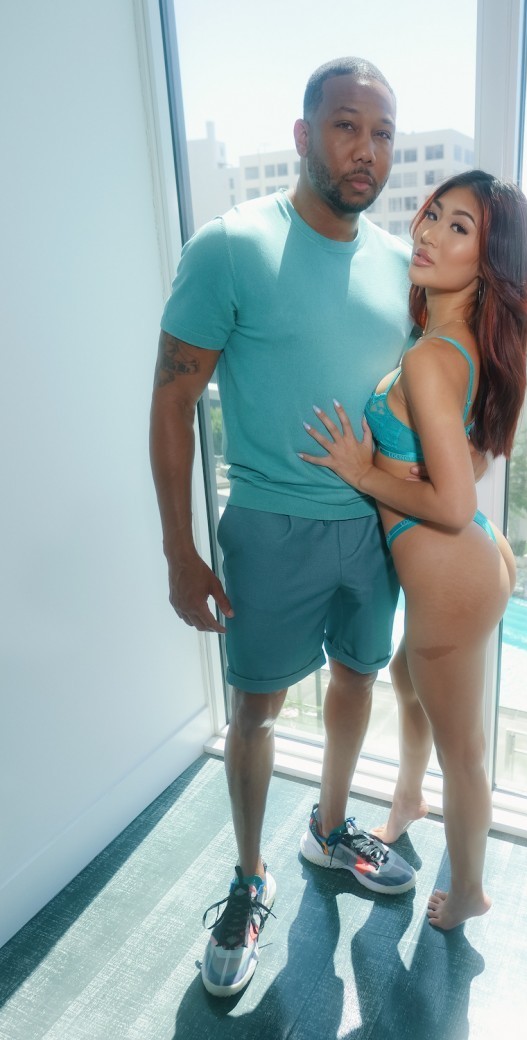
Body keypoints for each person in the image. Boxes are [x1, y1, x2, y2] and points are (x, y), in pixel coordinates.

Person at [149, 57, 419, 998]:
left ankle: (329, 827)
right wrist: (180, 550)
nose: (366, 150)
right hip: (268, 527)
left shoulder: (401, 265)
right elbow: (171, 401)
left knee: (358, 678)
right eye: (347, 127)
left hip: (373, 529)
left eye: (382, 134)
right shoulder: (230, 247)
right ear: (305, 136)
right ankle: (248, 877)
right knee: (255, 713)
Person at [300, 169, 527, 930]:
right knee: (407, 678)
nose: (429, 233)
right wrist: (413, 470)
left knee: (464, 752)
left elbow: (455, 501)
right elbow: (474, 459)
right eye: (433, 214)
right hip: (473, 560)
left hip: (451, 574)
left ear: (488, 261)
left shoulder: (434, 357)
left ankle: (469, 892)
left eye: (459, 227)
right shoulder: (460, 344)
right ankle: (409, 796)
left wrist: (366, 472)